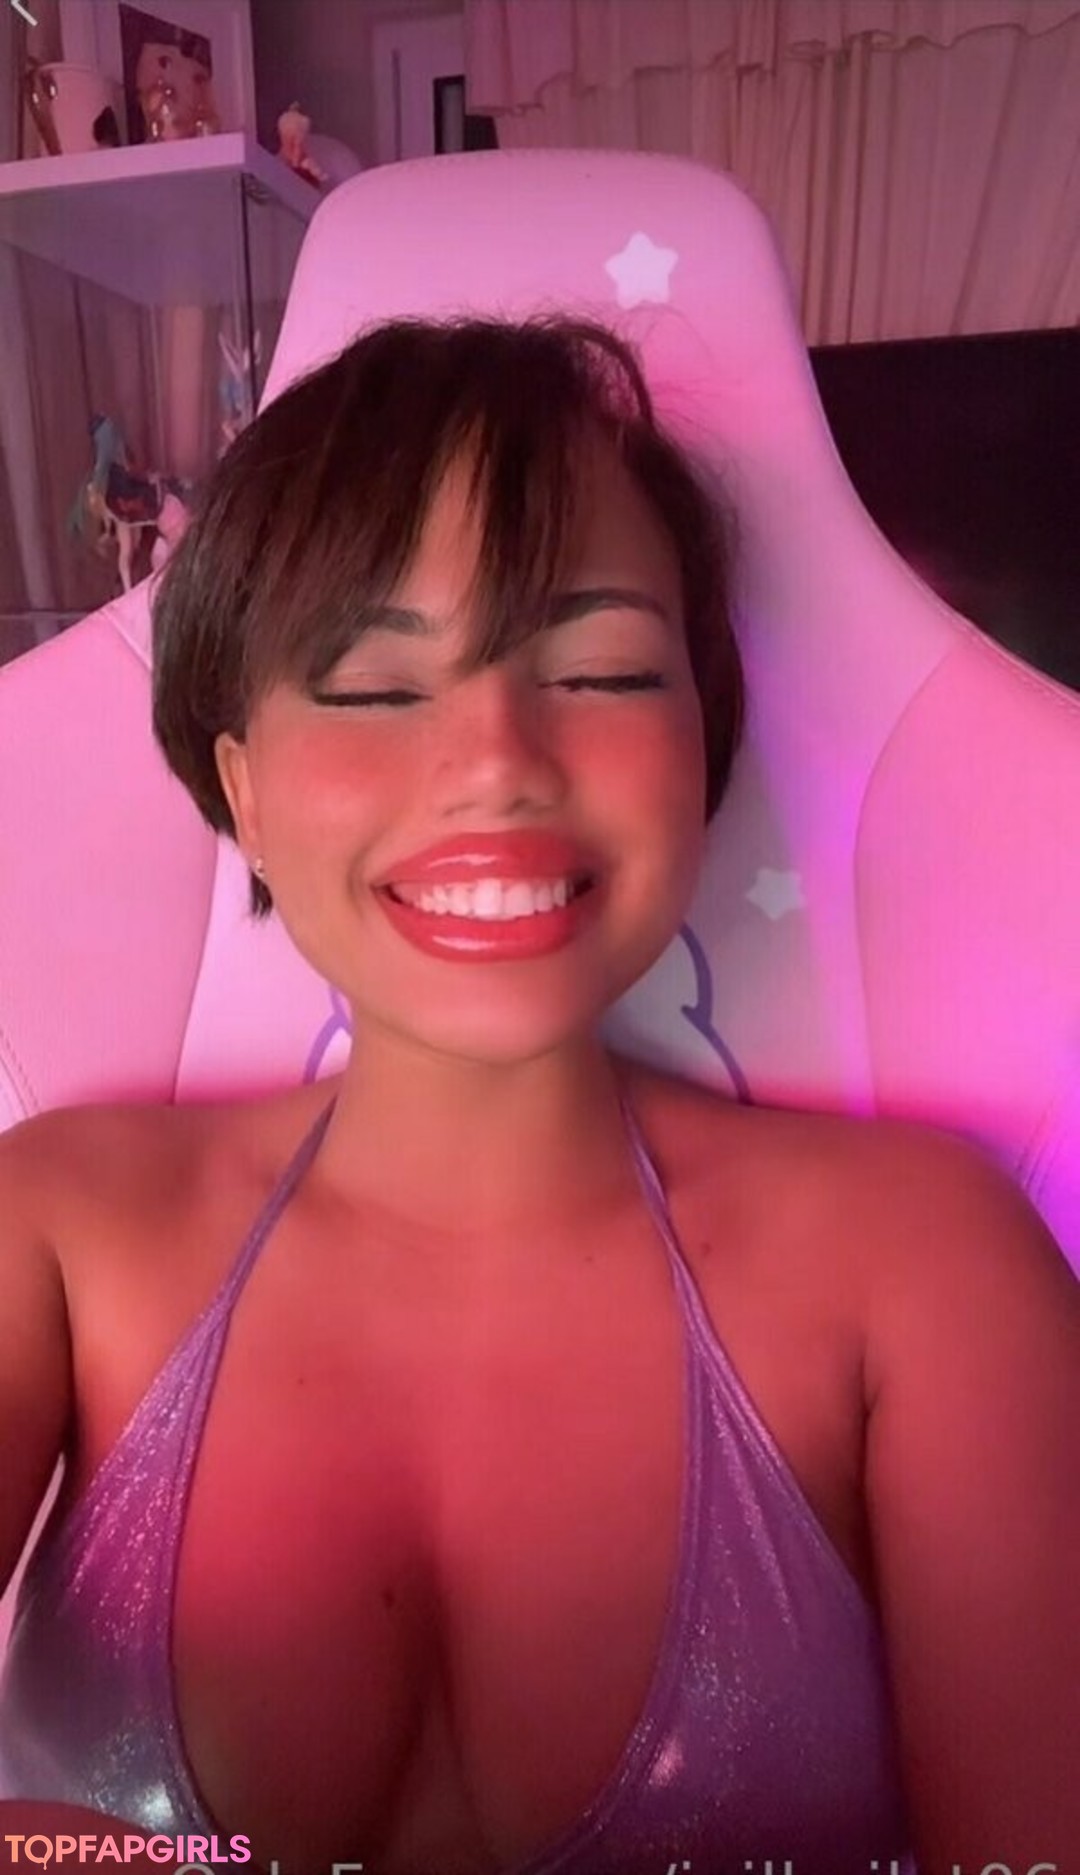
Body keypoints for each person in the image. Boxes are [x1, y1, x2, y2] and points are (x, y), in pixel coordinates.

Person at [0, 314, 1077, 1875]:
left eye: (599, 669)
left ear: (702, 748)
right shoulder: (53, 1233)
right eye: (374, 688)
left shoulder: (934, 1271)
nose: (498, 760)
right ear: (241, 789)